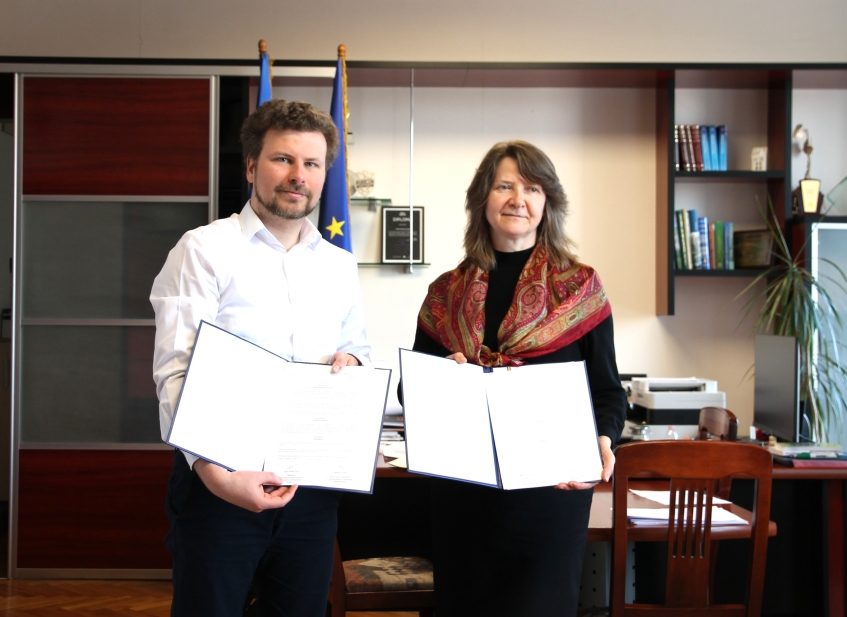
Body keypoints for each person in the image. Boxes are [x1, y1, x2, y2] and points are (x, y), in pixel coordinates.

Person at [150, 99, 371, 617]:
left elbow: (358, 349)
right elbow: (175, 372)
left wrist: (353, 366)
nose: (298, 176)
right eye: (283, 159)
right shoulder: (203, 249)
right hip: (220, 482)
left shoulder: (338, 265)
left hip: (310, 486)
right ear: (251, 167)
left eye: (311, 164)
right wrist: (218, 476)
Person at [410, 140, 626, 616]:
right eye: (504, 186)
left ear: (548, 202)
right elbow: (413, 390)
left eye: (531, 188)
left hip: (550, 496)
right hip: (463, 496)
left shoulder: (580, 288)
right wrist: (445, 377)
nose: (517, 200)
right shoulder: (445, 293)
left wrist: (603, 440)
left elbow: (608, 391)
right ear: (482, 199)